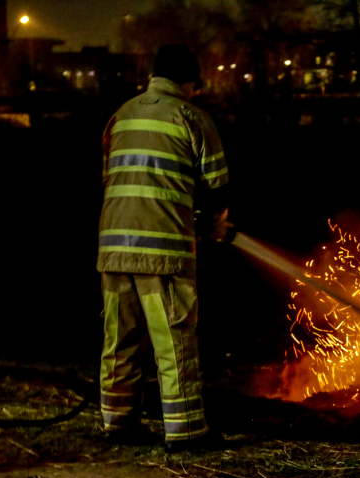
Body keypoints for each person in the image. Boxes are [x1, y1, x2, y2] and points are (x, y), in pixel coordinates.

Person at [97, 44, 230, 451]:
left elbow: (110, 177)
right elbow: (216, 186)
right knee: (173, 342)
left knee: (119, 340)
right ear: (188, 81)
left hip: (113, 248)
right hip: (165, 252)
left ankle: (118, 423)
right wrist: (213, 223)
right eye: (195, 84)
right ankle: (187, 431)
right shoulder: (191, 117)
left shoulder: (120, 115)